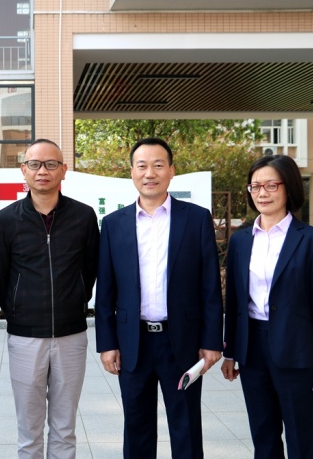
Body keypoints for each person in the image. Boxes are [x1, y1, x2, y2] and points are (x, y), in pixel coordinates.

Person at [95, 137, 223, 459]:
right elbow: (106, 290)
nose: (149, 173)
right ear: (132, 172)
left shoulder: (196, 219)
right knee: (136, 429)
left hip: (182, 343)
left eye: (158, 165)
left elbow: (210, 285)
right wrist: (107, 343)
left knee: (186, 428)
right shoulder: (114, 224)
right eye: (142, 166)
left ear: (171, 171)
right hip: (132, 343)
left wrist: (211, 341)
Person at [221, 154, 313, 458]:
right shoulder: (240, 241)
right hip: (252, 349)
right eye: (255, 186)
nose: (262, 193)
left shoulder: (312, 240)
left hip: (297, 351)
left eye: (271, 185)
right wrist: (230, 352)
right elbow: (234, 302)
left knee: (301, 438)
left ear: (288, 187)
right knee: (263, 436)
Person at [0, 138, 100, 458]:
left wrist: (75, 301)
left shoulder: (83, 217)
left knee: (65, 428)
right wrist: (17, 309)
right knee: (29, 430)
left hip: (71, 335)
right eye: (35, 164)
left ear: (63, 170)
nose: (43, 171)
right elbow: (0, 276)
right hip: (25, 337)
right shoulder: (5, 220)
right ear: (23, 170)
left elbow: (90, 269)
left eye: (51, 164)